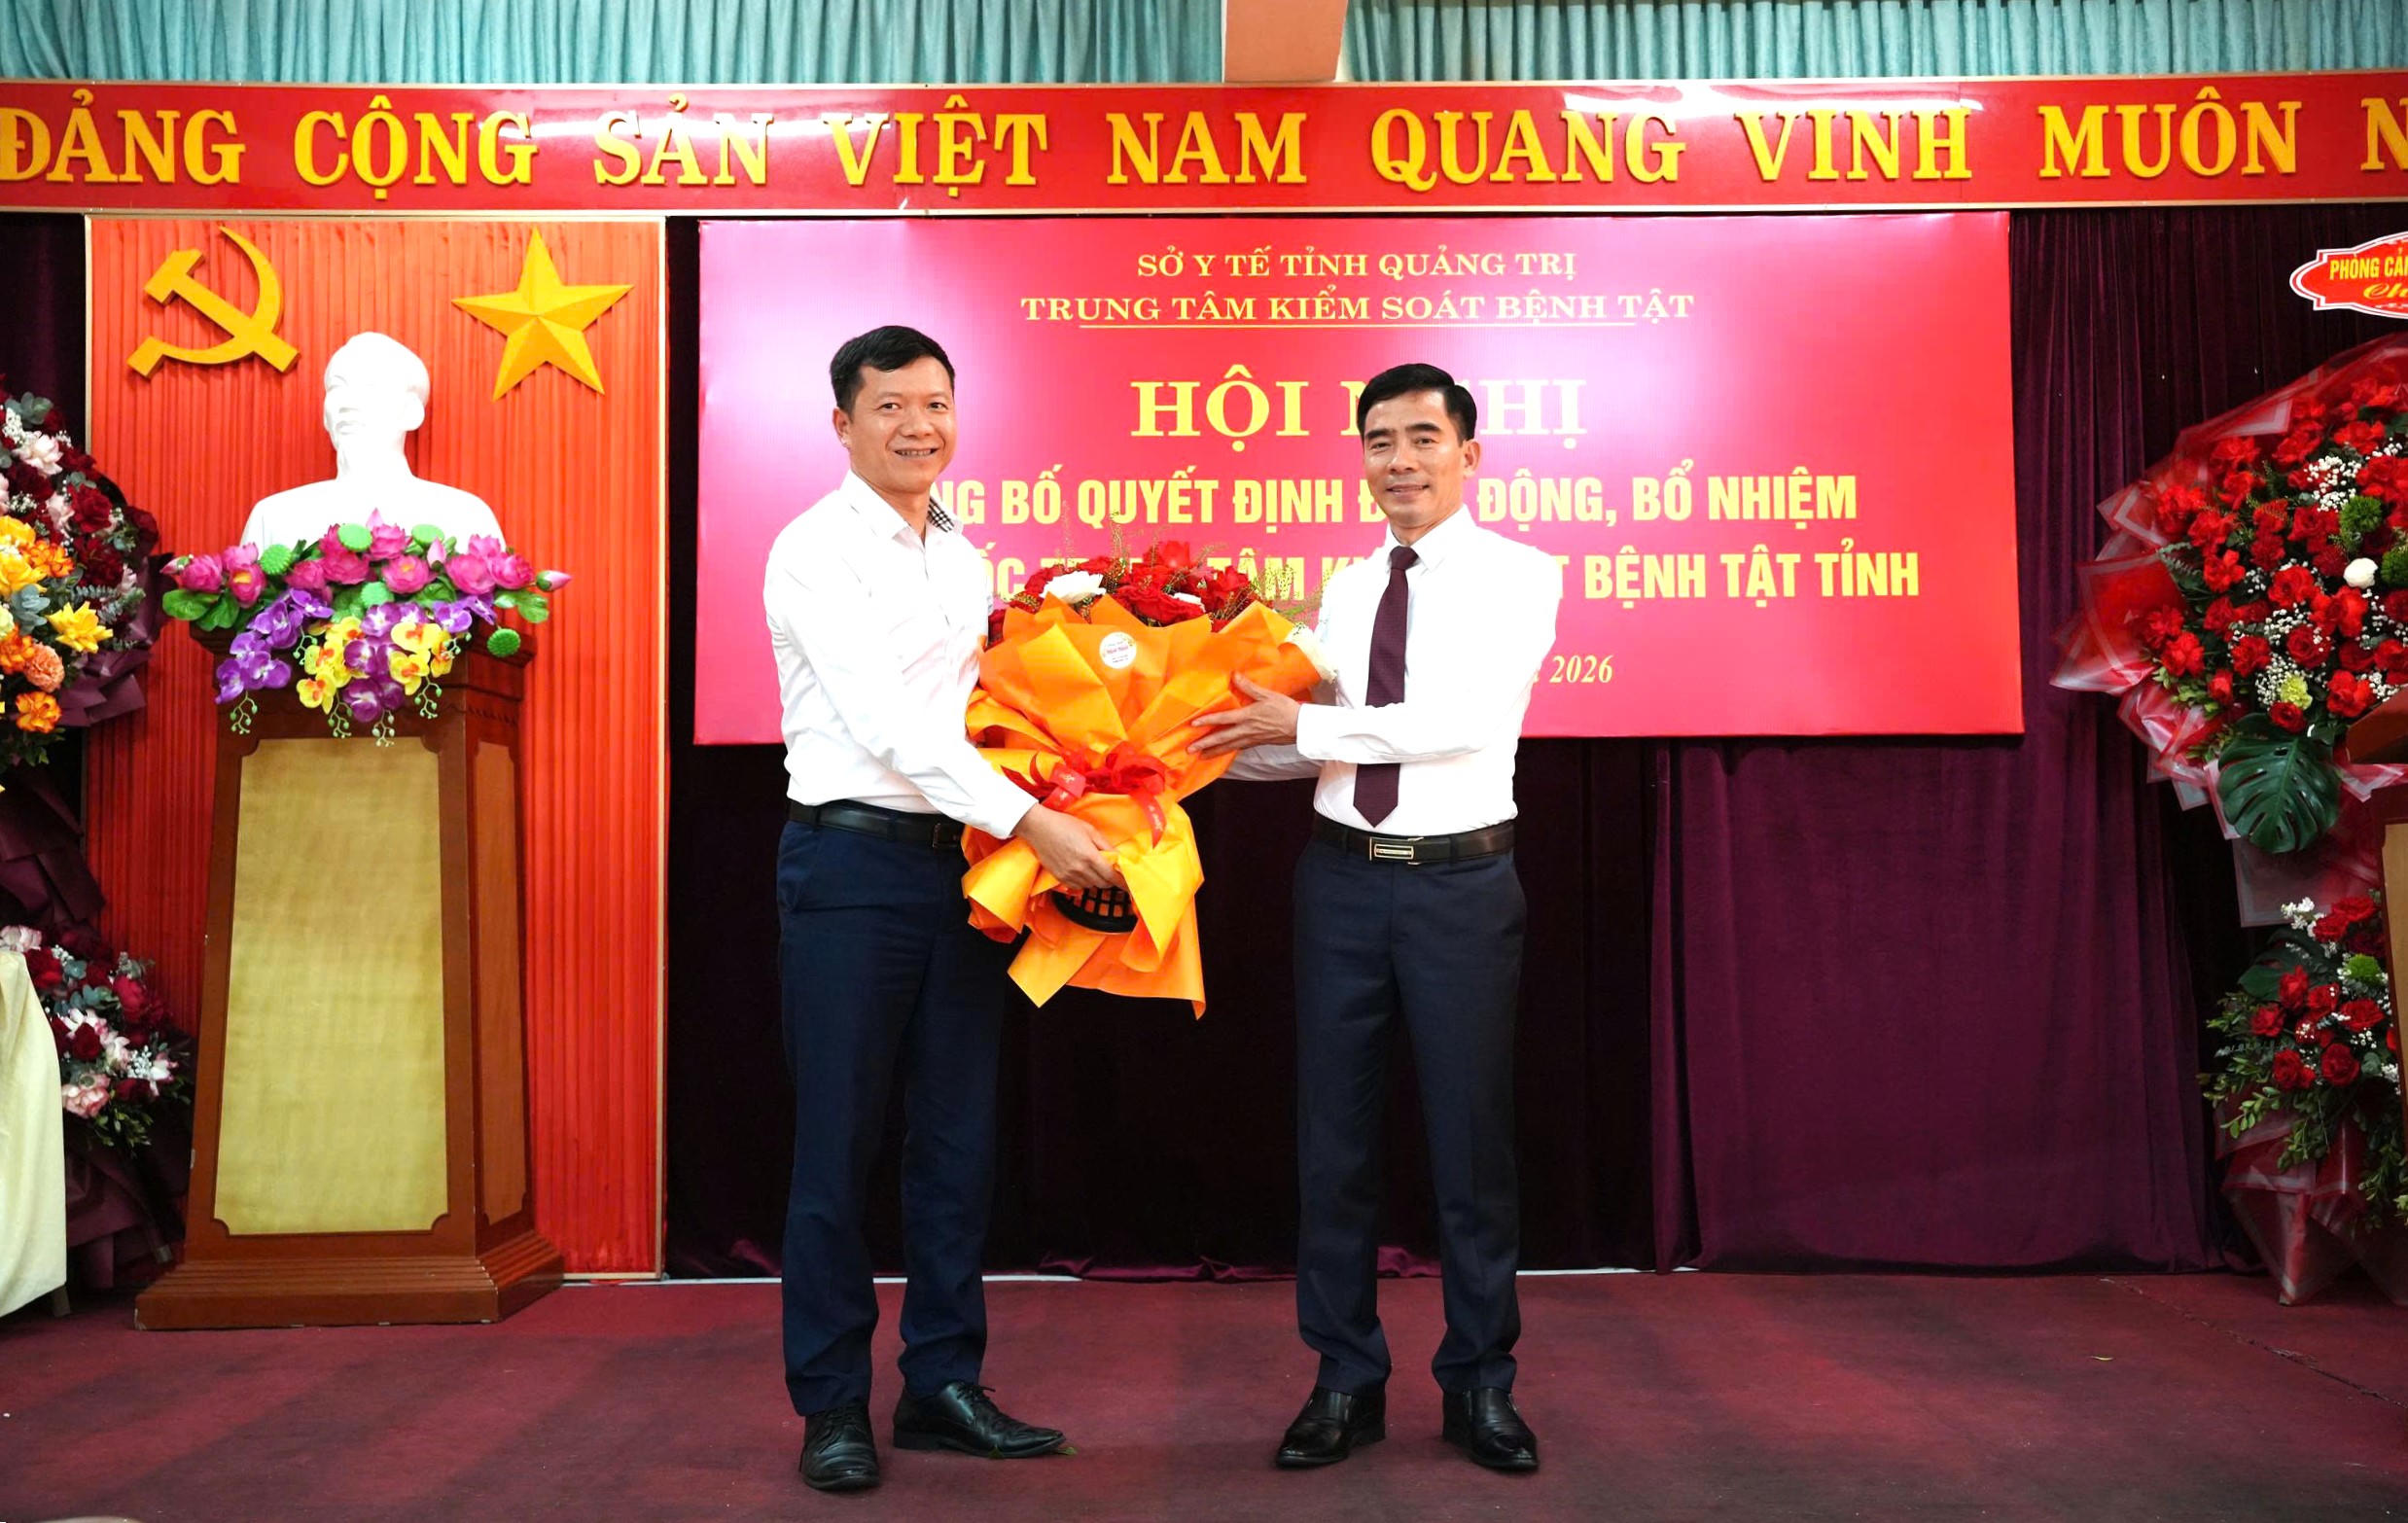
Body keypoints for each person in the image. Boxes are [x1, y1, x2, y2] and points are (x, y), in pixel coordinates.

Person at [763, 325, 1117, 1493]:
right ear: (842, 424)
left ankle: (942, 1383)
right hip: (850, 869)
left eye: (935, 405)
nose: (918, 427)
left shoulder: (960, 552)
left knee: (956, 1141)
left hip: (959, 868)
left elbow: (981, 713)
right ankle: (831, 1404)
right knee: (839, 1145)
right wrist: (1033, 822)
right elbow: (887, 727)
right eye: (891, 407)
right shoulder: (813, 549)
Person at [1192, 362, 1562, 1474]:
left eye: (1420, 438)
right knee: (1334, 1142)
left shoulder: (1521, 575)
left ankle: (1479, 1382)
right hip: (1342, 883)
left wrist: (1300, 730)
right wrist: (1167, 754)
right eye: (1378, 442)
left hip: (1460, 890)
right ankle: (1343, 1378)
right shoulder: (1348, 589)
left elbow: (1456, 721)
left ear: (1468, 454)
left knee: (1470, 1145)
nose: (1398, 461)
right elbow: (1298, 740)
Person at [239, 332, 505, 549]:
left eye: (371, 387)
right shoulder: (275, 516)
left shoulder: (465, 516)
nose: (347, 403)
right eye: (337, 388)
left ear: (411, 412)